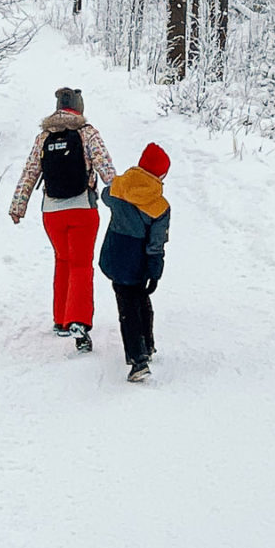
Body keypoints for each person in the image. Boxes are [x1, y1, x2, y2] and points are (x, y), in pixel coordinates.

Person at [9, 86, 115, 351]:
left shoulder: (44, 136)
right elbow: (105, 167)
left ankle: (60, 319)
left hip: (51, 212)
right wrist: (122, 198)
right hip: (82, 209)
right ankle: (77, 321)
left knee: (63, 260)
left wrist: (18, 206)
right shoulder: (87, 133)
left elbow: (30, 172)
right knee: (80, 264)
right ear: (79, 108)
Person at [99, 142, 171, 383]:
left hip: (117, 255)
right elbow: (156, 244)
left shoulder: (120, 186)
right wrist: (155, 271)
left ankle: (137, 358)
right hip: (140, 260)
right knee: (141, 299)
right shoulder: (160, 206)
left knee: (126, 306)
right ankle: (145, 349)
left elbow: (104, 196)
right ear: (161, 174)